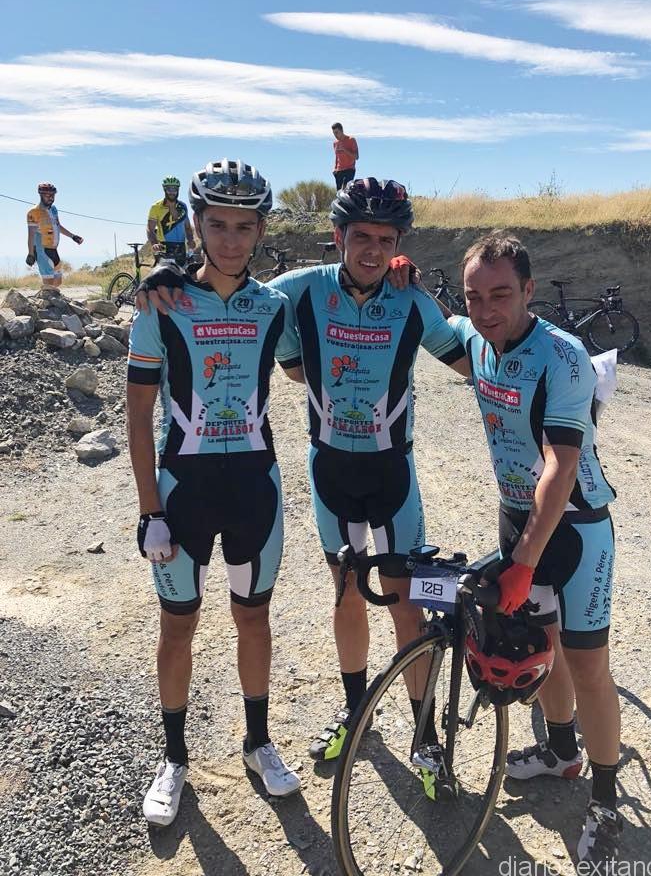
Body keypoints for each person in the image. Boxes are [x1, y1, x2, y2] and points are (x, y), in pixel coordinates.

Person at [135, 177, 470, 765]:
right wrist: (167, 270)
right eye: (360, 236)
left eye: (385, 239)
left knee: (406, 603)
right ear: (338, 236)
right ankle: (356, 711)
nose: (372, 250)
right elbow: (239, 299)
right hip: (329, 470)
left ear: (399, 244)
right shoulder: (297, 291)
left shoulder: (411, 297)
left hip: (393, 472)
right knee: (346, 593)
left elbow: (470, 359)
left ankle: (425, 737)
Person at [426, 232, 622, 869]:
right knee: (541, 644)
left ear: (529, 291)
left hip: (576, 530)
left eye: (501, 295)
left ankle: (606, 803)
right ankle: (562, 751)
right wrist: (403, 278)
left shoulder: (562, 356)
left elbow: (560, 467)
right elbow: (434, 325)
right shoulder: (477, 341)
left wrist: (525, 562)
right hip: (518, 520)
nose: (486, 309)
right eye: (474, 296)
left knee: (589, 667)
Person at [127, 159, 301, 827]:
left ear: (261, 231)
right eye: (218, 225)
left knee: (253, 618)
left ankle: (258, 742)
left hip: (256, 485)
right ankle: (174, 759)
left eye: (244, 227)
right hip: (184, 490)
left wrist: (394, 273)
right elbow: (137, 416)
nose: (231, 239)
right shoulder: (161, 303)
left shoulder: (275, 306)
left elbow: (312, 354)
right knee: (179, 626)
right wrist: (149, 509)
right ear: (196, 225)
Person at [26, 182, 83, 287]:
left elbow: (58, 226)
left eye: (53, 195)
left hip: (53, 250)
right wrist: (31, 253)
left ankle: (48, 296)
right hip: (42, 250)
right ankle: (45, 296)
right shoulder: (33, 212)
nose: (51, 198)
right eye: (47, 195)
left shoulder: (53, 209)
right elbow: (31, 235)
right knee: (49, 283)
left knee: (58, 281)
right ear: (40, 195)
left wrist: (73, 236)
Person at [147, 176, 196, 267]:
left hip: (181, 247)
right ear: (164, 189)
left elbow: (187, 227)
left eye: (175, 189)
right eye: (169, 189)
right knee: (166, 274)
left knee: (183, 273)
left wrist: (190, 240)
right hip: (164, 247)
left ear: (178, 190)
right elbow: (150, 229)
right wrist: (154, 243)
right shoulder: (156, 207)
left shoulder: (183, 206)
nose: (172, 192)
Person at [331, 123, 359, 190]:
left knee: (346, 191)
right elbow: (337, 157)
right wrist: (335, 168)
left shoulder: (351, 140)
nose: (335, 135)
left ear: (342, 130)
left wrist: (345, 150)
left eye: (337, 132)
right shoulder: (335, 143)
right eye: (334, 133)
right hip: (339, 171)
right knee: (339, 193)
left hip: (349, 169)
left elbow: (356, 157)